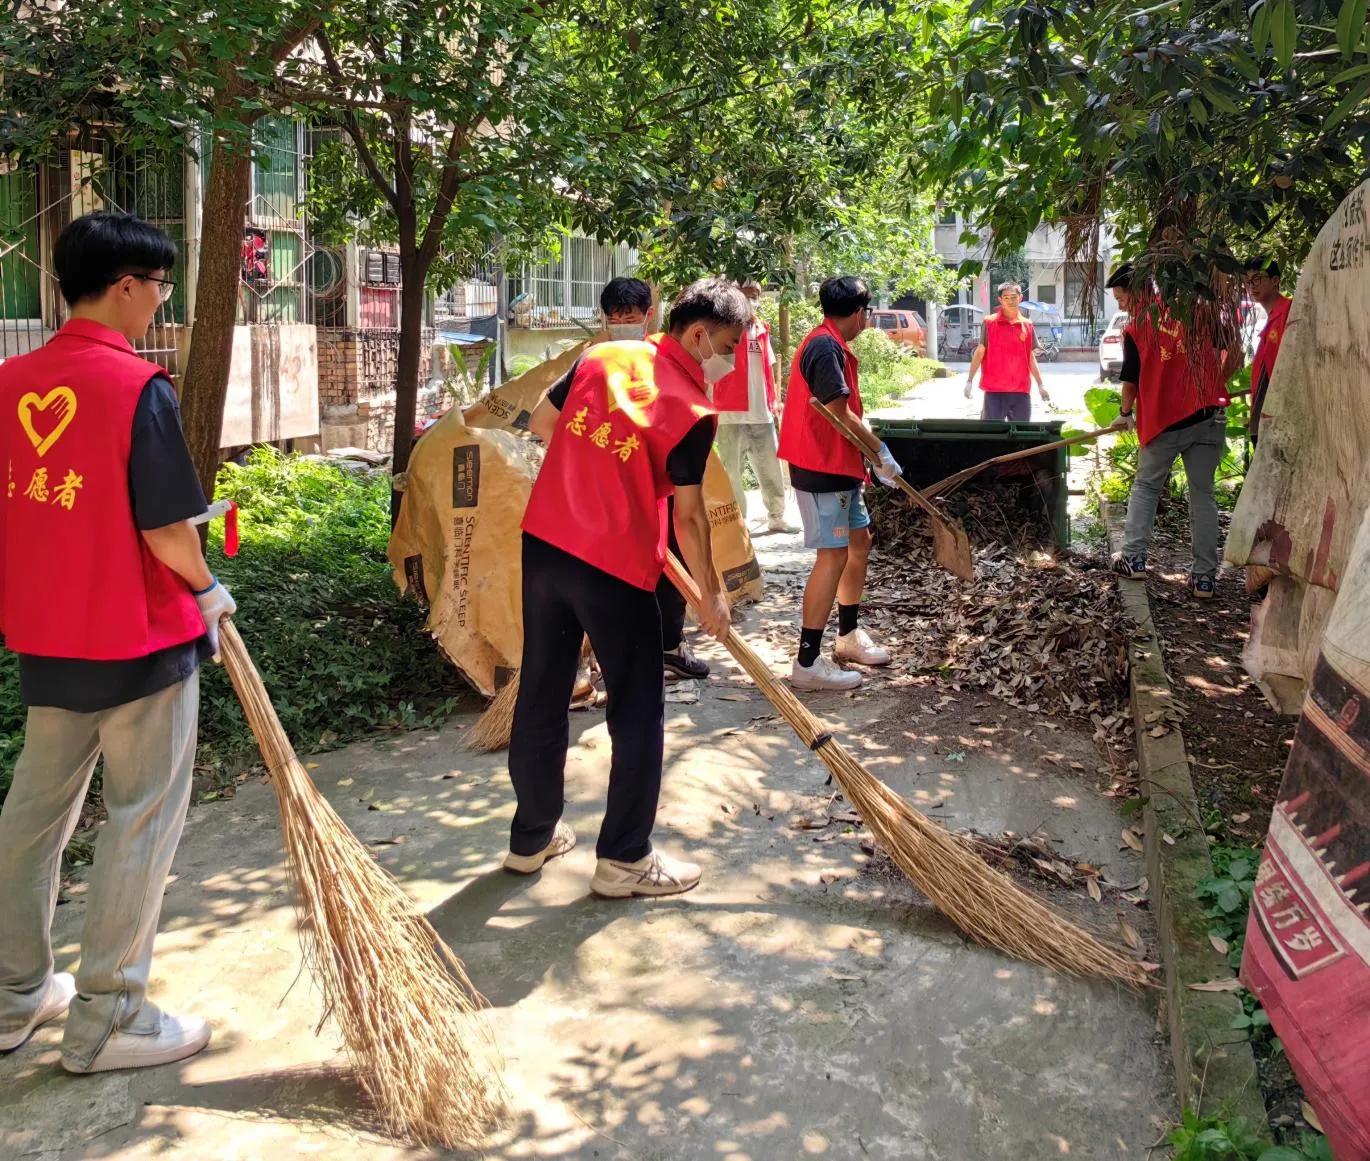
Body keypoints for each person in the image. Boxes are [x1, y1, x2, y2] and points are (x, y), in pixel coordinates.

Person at [0, 213, 235, 1072]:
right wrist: (209, 590)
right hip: (138, 643)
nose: (160, 305)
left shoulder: (7, 381)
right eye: (160, 288)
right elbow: (169, 529)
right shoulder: (139, 388)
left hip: (47, 639)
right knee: (138, 820)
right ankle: (108, 1017)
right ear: (128, 284)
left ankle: (13, 995)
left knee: (31, 819)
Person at [508, 278, 745, 897]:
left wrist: (590, 469)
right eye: (725, 346)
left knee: (541, 691)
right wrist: (712, 596)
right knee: (637, 708)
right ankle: (624, 861)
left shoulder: (603, 356)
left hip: (547, 544)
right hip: (614, 562)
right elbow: (690, 518)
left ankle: (530, 840)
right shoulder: (692, 409)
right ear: (697, 335)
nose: (727, 361)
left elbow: (542, 422)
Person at [546, 276, 712, 680]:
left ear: (649, 316)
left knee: (669, 562)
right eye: (614, 316)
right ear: (603, 317)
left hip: (658, 484)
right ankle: (620, 655)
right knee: (619, 573)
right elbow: (549, 423)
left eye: (631, 316)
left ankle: (668, 645)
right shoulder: (593, 360)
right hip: (612, 489)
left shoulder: (662, 359)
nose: (623, 323)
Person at [777, 276, 901, 692]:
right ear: (860, 313)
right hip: (820, 467)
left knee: (858, 544)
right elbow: (839, 415)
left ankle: (847, 636)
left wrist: (869, 458)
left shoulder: (832, 344)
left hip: (842, 467)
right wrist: (880, 452)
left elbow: (844, 414)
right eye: (867, 311)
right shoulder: (824, 346)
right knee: (831, 556)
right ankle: (807, 662)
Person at [1106, 263, 1232, 599]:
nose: (1120, 304)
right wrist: (1216, 384)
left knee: (1147, 485)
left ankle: (1133, 558)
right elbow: (1229, 348)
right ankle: (1204, 578)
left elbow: (1130, 379)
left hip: (1166, 421)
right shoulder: (1195, 310)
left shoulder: (1137, 328)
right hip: (1208, 415)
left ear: (1136, 291)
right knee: (1203, 494)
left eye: (1120, 297)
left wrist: (1124, 413)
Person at [713, 280, 793, 535]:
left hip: (761, 412)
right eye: (747, 295)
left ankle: (777, 516)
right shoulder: (720, 329)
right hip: (728, 413)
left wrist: (774, 400)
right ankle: (738, 523)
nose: (752, 300)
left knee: (770, 466)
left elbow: (768, 369)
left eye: (756, 295)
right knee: (732, 471)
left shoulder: (760, 328)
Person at [963, 282, 1050, 420]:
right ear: (1000, 299)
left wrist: (1041, 385)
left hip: (1021, 391)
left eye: (1014, 297)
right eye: (1006, 297)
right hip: (994, 391)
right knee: (992, 436)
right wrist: (969, 381)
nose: (1010, 301)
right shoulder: (989, 322)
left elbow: (1030, 357)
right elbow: (980, 352)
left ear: (1020, 298)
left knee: (1022, 435)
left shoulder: (1027, 325)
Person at [1245, 257, 1292, 446]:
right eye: (1248, 282)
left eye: (1257, 279)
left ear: (1275, 280)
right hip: (1264, 415)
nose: (1251, 286)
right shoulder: (1270, 318)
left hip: (1283, 415)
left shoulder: (1290, 310)